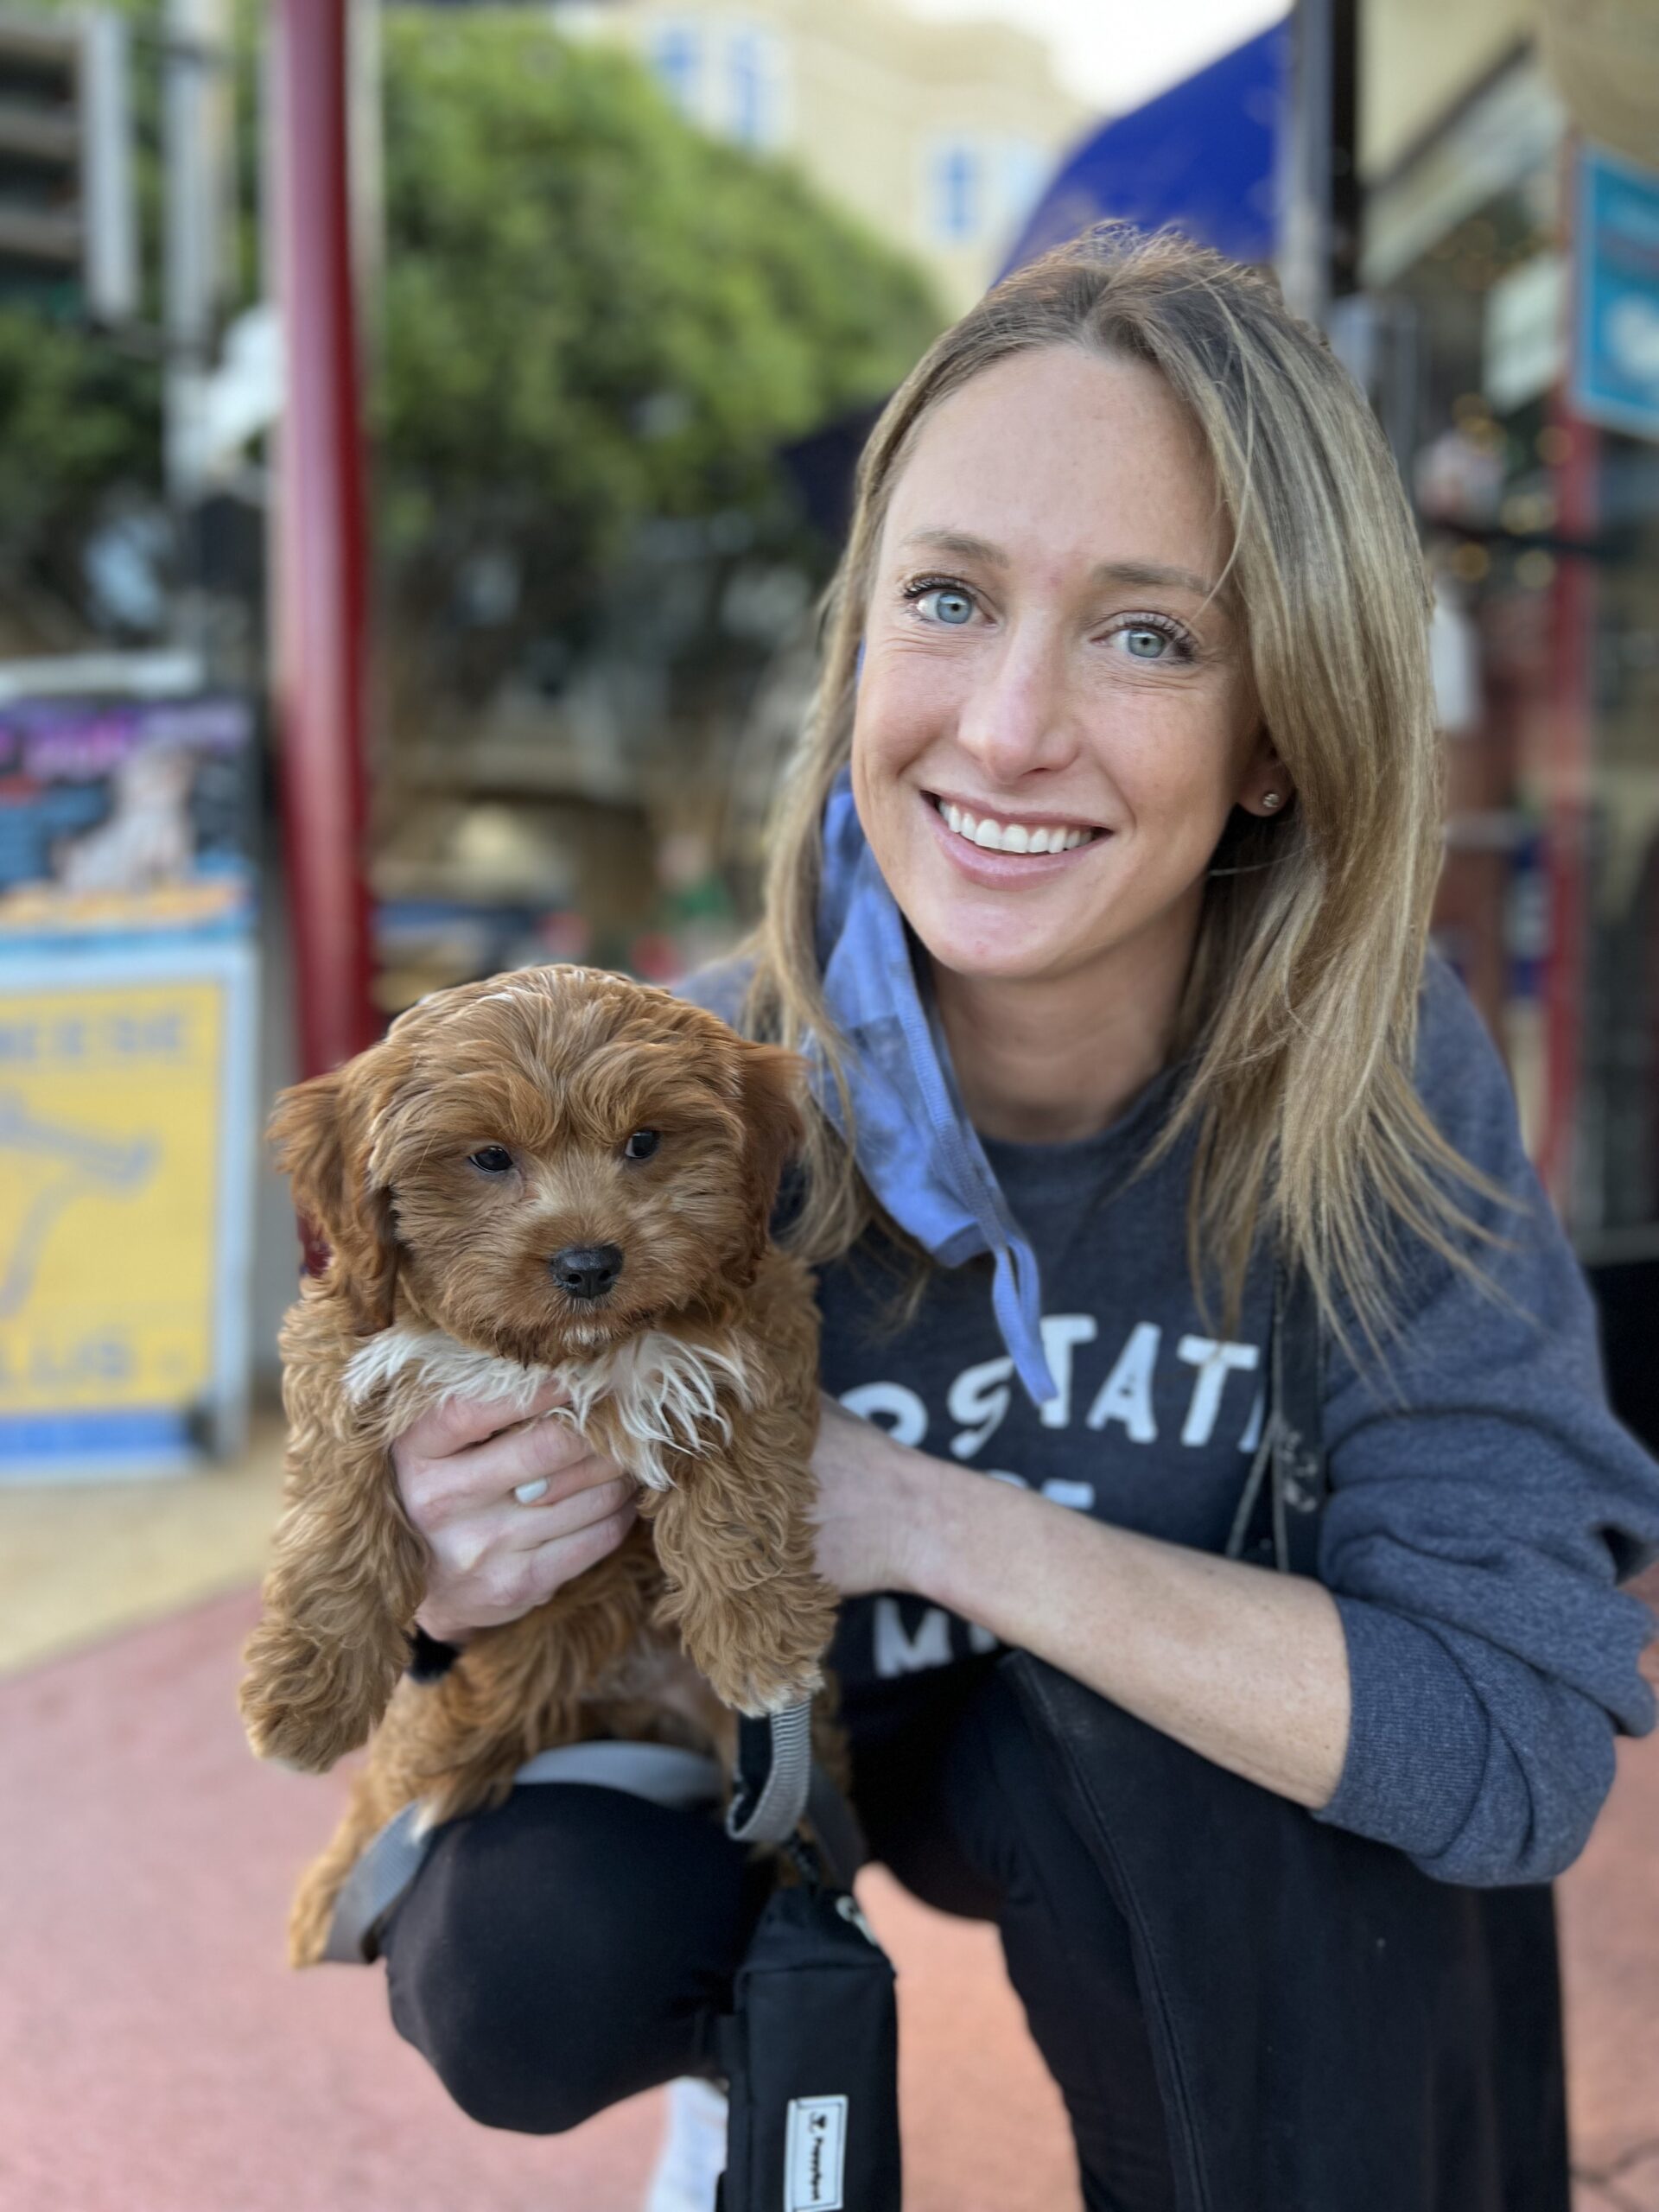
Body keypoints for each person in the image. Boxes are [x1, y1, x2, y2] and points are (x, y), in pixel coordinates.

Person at [375, 228, 1659, 2211]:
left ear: (1276, 739)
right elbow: (419, 1575)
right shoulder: (676, 1095)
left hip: (1146, 1772)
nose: (1002, 728)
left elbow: (1515, 1742)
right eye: (949, 599)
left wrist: (917, 1512)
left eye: (1147, 634)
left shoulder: (1373, 1068)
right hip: (789, 1740)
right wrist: (450, 1567)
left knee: (1293, 1807)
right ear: (862, 638)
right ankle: (758, 2021)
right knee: (529, 1962)